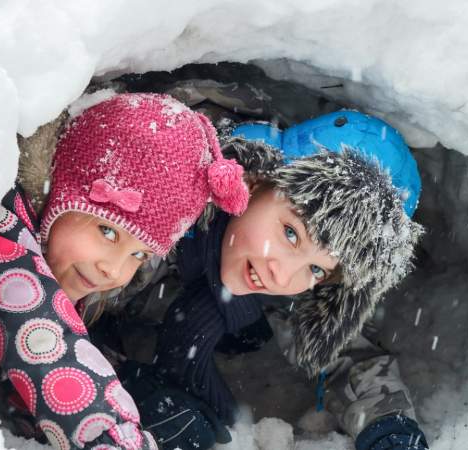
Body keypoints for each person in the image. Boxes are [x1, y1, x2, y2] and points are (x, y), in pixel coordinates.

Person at [109, 108, 430, 450]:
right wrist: (119, 388)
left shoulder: (279, 286)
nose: (284, 273)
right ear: (255, 180)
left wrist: (391, 434)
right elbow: (64, 315)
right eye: (291, 234)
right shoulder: (158, 229)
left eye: (317, 270)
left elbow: (353, 362)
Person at [0, 93, 249, 449]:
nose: (113, 269)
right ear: (61, 192)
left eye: (139, 253)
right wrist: (115, 438)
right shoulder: (0, 227)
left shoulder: (67, 261)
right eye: (107, 231)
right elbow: (40, 337)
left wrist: (125, 381)